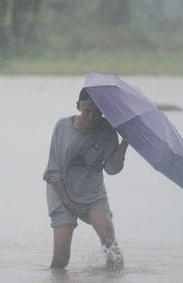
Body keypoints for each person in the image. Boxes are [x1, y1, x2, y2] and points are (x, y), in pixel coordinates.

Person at [43, 88, 129, 270]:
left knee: (111, 247)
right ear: (78, 107)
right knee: (61, 259)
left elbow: (112, 169)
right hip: (61, 191)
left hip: (92, 193)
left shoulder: (107, 131)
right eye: (87, 111)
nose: (92, 116)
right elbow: (52, 171)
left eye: (98, 112)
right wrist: (67, 203)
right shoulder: (63, 127)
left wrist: (125, 143)